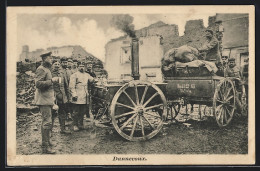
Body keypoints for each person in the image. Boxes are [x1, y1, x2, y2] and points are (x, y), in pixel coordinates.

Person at [34, 51, 60, 154]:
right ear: (44, 59)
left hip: (48, 100)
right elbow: (38, 84)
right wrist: (52, 81)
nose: (51, 59)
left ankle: (47, 142)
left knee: (47, 122)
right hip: (43, 100)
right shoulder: (41, 69)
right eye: (50, 58)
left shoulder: (47, 69)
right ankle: (45, 147)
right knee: (47, 123)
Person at [69, 61, 95, 131]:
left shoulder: (87, 75)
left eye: (83, 66)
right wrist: (74, 94)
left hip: (84, 96)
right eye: (80, 66)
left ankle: (80, 124)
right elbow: (71, 86)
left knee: (82, 111)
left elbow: (92, 80)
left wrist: (97, 80)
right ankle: (75, 125)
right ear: (77, 67)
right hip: (77, 95)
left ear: (85, 67)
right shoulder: (74, 75)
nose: (82, 68)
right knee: (76, 112)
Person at [51, 60, 71, 134]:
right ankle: (50, 130)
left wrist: (68, 96)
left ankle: (63, 129)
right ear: (52, 65)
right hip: (53, 97)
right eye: (55, 64)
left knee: (62, 113)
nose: (57, 65)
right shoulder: (50, 74)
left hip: (62, 97)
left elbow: (66, 86)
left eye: (58, 64)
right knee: (52, 113)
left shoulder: (62, 74)